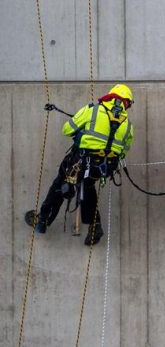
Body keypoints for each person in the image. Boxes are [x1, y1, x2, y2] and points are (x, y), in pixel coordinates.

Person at [25, 84, 135, 246]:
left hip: (80, 162)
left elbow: (67, 130)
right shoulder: (128, 125)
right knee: (86, 187)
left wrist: (82, 130)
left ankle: (42, 220)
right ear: (126, 103)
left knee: (60, 185)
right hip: (104, 167)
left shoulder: (93, 110)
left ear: (111, 96)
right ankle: (95, 225)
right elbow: (124, 151)